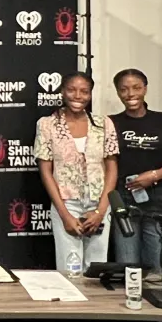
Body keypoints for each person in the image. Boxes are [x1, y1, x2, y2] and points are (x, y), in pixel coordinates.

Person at [36, 72, 118, 273]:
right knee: (69, 271)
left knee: (96, 271)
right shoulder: (47, 124)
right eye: (72, 90)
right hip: (66, 204)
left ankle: (95, 306)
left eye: (84, 91)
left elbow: (112, 168)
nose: (78, 96)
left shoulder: (103, 123)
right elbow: (46, 172)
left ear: (90, 95)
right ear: (63, 92)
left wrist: (100, 211)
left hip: (99, 204)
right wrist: (64, 215)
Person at [108, 68, 162, 270]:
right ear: (118, 92)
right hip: (124, 199)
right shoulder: (112, 122)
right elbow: (108, 164)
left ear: (145, 89)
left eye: (136, 87)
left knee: (158, 265)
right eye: (124, 89)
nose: (130, 94)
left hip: (158, 199)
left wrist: (154, 175)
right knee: (127, 265)